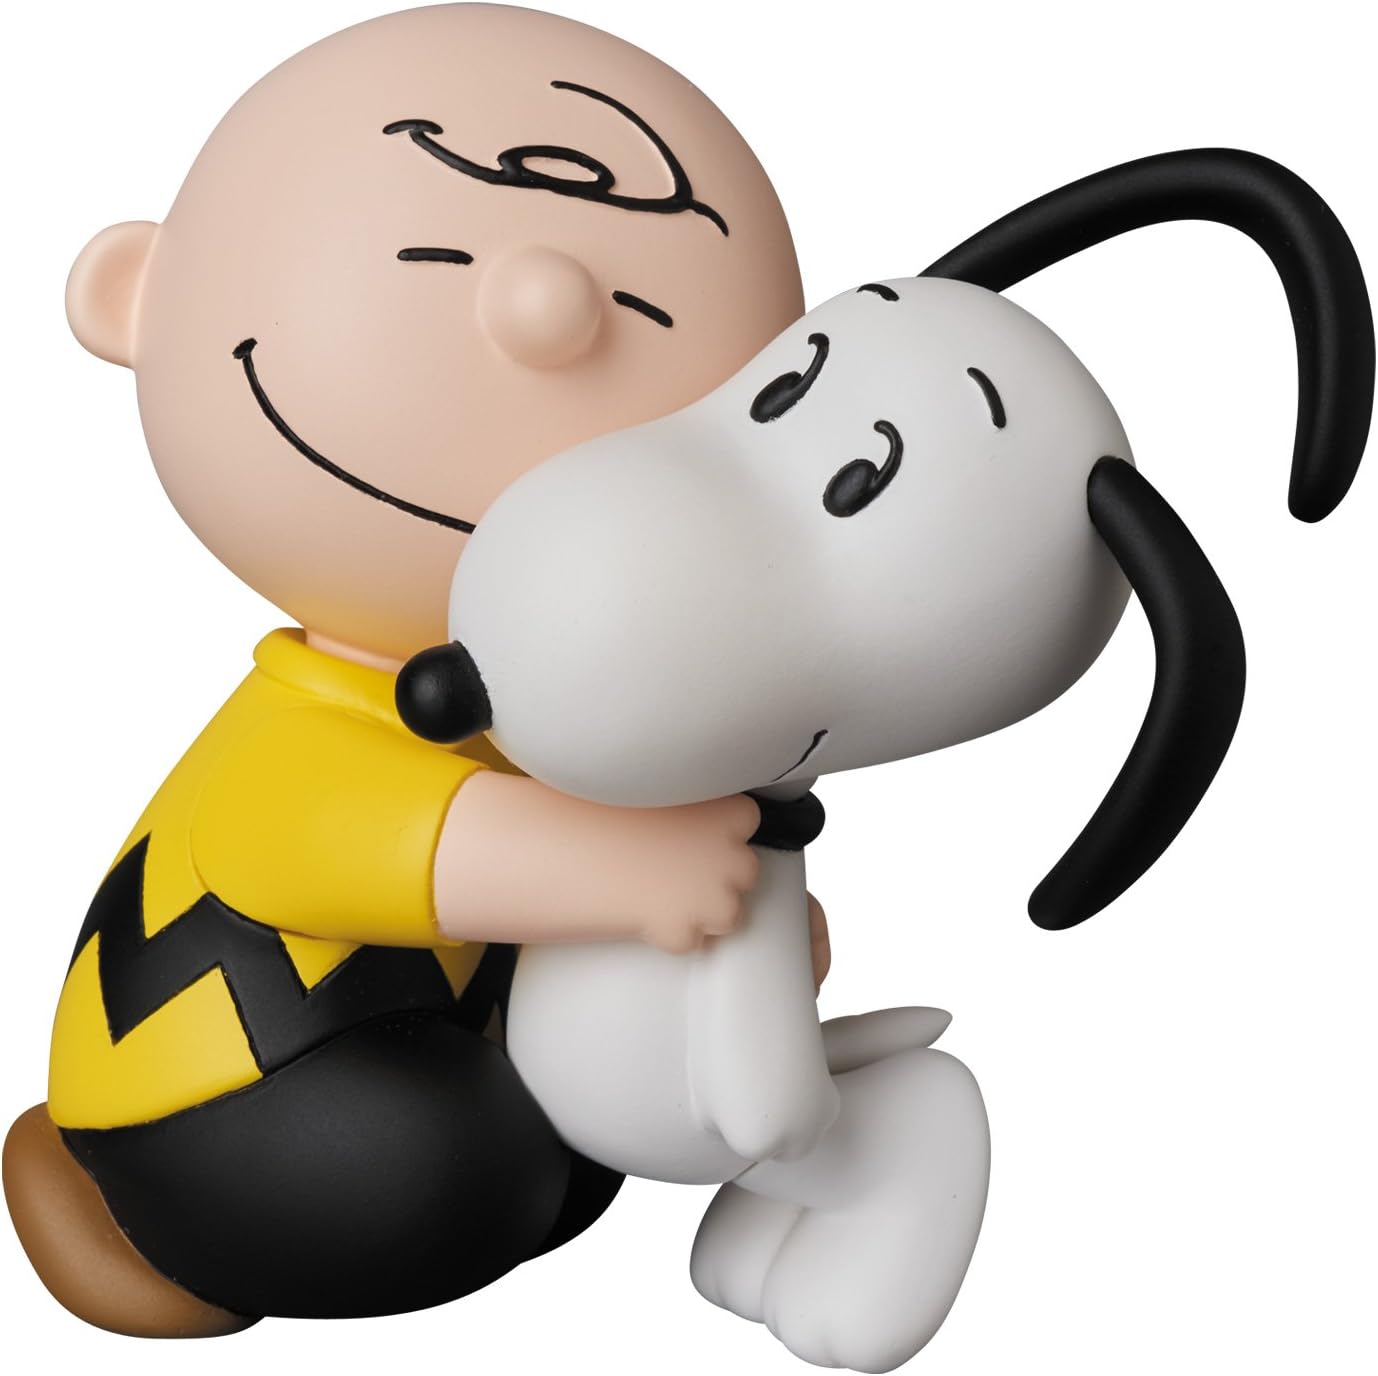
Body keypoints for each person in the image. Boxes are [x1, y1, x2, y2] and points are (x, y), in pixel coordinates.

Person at [2, 3, 821, 1336]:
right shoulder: (298, 731)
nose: (550, 308)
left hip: (418, 1037)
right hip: (208, 1093)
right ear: (134, 300)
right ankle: (148, 1217)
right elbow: (364, 840)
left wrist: (728, 948)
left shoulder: (578, 727)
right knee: (436, 1169)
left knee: (550, 1155)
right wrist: (633, 878)